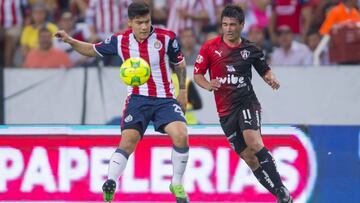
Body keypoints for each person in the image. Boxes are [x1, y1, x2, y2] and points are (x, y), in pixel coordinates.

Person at [55, 2, 190, 203]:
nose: (144, 27)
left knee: (181, 134)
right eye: (139, 23)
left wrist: (183, 90)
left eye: (147, 21)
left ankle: (176, 183)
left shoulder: (166, 38)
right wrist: (69, 40)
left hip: (165, 98)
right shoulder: (120, 41)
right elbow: (92, 50)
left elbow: (179, 64)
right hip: (137, 100)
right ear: (130, 23)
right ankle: (110, 182)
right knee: (128, 141)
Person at [193, 5, 293, 203]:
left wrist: (270, 78)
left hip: (247, 103)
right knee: (249, 158)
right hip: (225, 112)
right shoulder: (210, 48)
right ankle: (280, 195)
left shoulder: (251, 49)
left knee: (254, 142)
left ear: (241, 25)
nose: (228, 29)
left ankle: (281, 188)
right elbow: (197, 75)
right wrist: (208, 84)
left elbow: (264, 70)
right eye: (224, 25)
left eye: (232, 25)